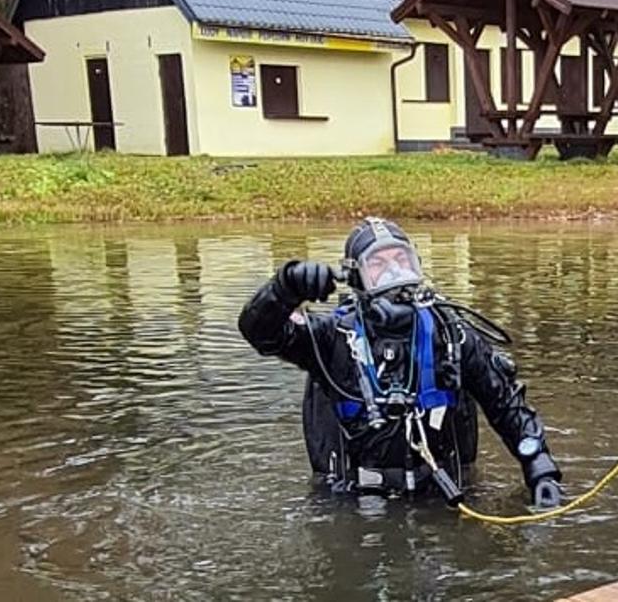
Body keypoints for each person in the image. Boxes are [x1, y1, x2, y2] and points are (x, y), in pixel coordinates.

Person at [238, 217, 564, 509]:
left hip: (443, 495)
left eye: (401, 260)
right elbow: (259, 332)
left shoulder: (450, 334)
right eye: (378, 264)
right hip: (354, 501)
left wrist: (539, 468)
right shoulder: (331, 338)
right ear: (356, 276)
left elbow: (505, 405)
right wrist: (284, 289)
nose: (394, 272)